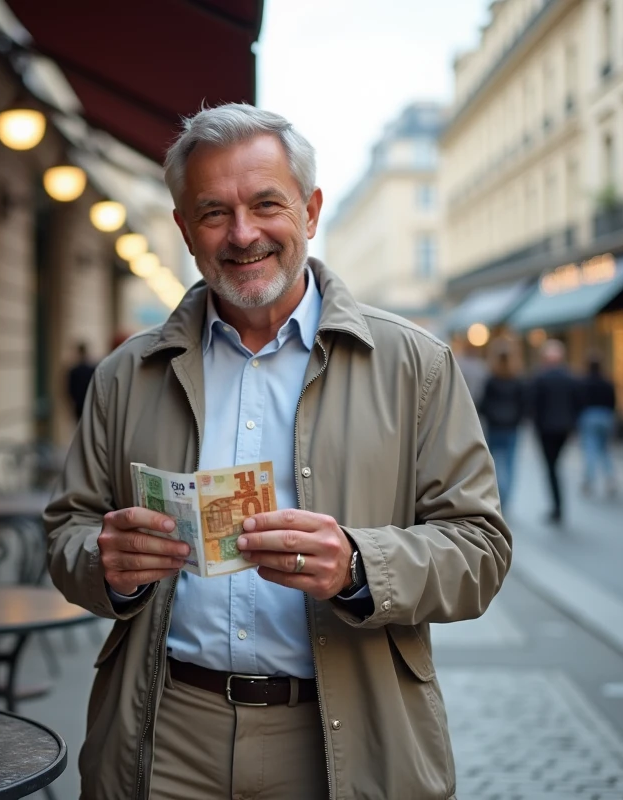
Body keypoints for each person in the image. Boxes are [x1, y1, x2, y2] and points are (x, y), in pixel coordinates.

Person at [44, 103, 512, 800]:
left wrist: (359, 564)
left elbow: (481, 551)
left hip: (343, 734)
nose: (243, 234)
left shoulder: (415, 364)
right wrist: (107, 566)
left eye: (267, 204)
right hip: (166, 733)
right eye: (213, 213)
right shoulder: (125, 374)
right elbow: (66, 533)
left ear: (311, 209)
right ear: (183, 228)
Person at [526, 339, 581, 524]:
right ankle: (558, 506)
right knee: (554, 466)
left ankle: (557, 507)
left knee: (551, 468)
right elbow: (577, 404)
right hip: (563, 429)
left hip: (546, 429)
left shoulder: (540, 377)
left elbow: (532, 405)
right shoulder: (569, 377)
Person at [479, 347, 525, 511]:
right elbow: (523, 404)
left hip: (495, 426)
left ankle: (499, 492)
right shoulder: (516, 379)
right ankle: (506, 494)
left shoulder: (492, 379)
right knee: (510, 463)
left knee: (495, 462)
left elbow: (483, 403)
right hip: (511, 427)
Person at [577, 355, 617, 497]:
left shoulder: (583, 382)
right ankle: (610, 479)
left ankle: (589, 479)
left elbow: (579, 401)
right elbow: (613, 401)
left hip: (588, 415)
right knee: (605, 450)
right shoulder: (607, 381)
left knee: (590, 449)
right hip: (606, 416)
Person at [65, 342, 97, 421]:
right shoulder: (91, 369)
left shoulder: (74, 371)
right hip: (88, 403)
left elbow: (70, 389)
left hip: (79, 404)